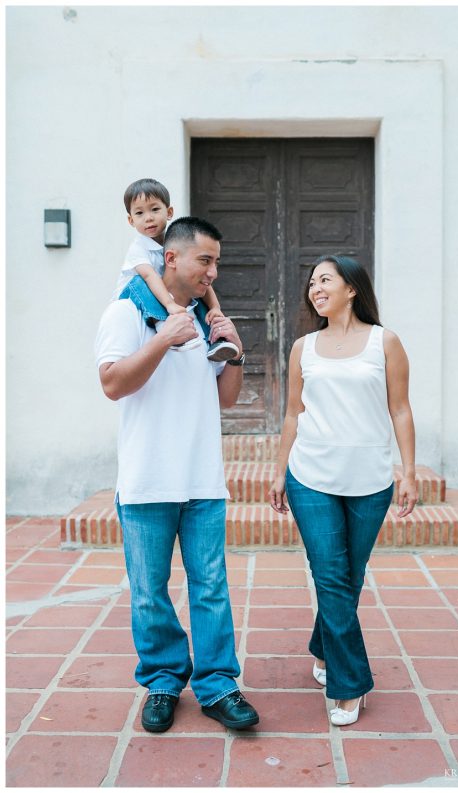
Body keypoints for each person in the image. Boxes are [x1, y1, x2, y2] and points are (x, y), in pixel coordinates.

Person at [95, 216, 259, 732]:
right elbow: (112, 383)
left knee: (211, 586)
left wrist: (234, 352)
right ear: (171, 258)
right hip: (146, 482)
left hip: (203, 481)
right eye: (205, 260)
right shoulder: (128, 310)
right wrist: (164, 338)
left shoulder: (201, 317)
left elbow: (226, 400)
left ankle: (217, 686)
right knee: (149, 589)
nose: (213, 272)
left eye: (216, 262)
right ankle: (163, 680)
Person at [269, 254, 417, 726]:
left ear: (351, 288)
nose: (315, 288)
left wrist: (408, 472)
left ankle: (323, 645)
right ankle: (350, 685)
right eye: (311, 282)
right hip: (311, 474)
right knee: (330, 575)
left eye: (325, 280)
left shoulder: (384, 343)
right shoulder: (303, 348)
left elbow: (400, 409)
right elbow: (293, 413)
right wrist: (278, 472)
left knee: (349, 575)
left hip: (370, 479)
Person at [114, 178, 239, 361]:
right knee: (142, 284)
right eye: (139, 213)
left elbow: (203, 278)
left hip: (161, 292)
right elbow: (150, 277)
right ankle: (165, 329)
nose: (148, 218)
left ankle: (216, 342)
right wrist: (170, 305)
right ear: (131, 220)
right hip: (136, 292)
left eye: (155, 209)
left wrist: (215, 308)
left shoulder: (176, 242)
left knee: (198, 292)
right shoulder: (138, 248)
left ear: (169, 212)